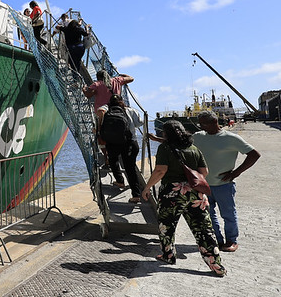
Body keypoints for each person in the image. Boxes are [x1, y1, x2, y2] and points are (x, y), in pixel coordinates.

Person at [140, 120, 226, 277]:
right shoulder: (193, 149)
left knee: (167, 226)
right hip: (195, 193)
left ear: (167, 134)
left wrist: (146, 188)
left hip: (172, 193)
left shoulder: (164, 148)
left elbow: (160, 171)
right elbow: (204, 172)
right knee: (203, 229)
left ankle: (168, 256)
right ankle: (216, 264)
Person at [193, 111, 261, 252]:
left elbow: (254, 155)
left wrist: (236, 172)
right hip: (204, 185)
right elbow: (180, 142)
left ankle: (231, 241)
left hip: (224, 186)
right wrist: (157, 139)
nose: (201, 127)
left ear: (214, 122)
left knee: (228, 214)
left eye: (203, 124)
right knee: (208, 215)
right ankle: (216, 240)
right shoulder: (198, 137)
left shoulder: (231, 138)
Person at [99, 94, 144, 202]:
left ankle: (120, 181)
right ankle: (136, 195)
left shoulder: (106, 109)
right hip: (130, 142)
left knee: (113, 161)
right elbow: (140, 122)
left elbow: (99, 111)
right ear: (122, 101)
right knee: (130, 169)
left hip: (112, 142)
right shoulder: (131, 111)